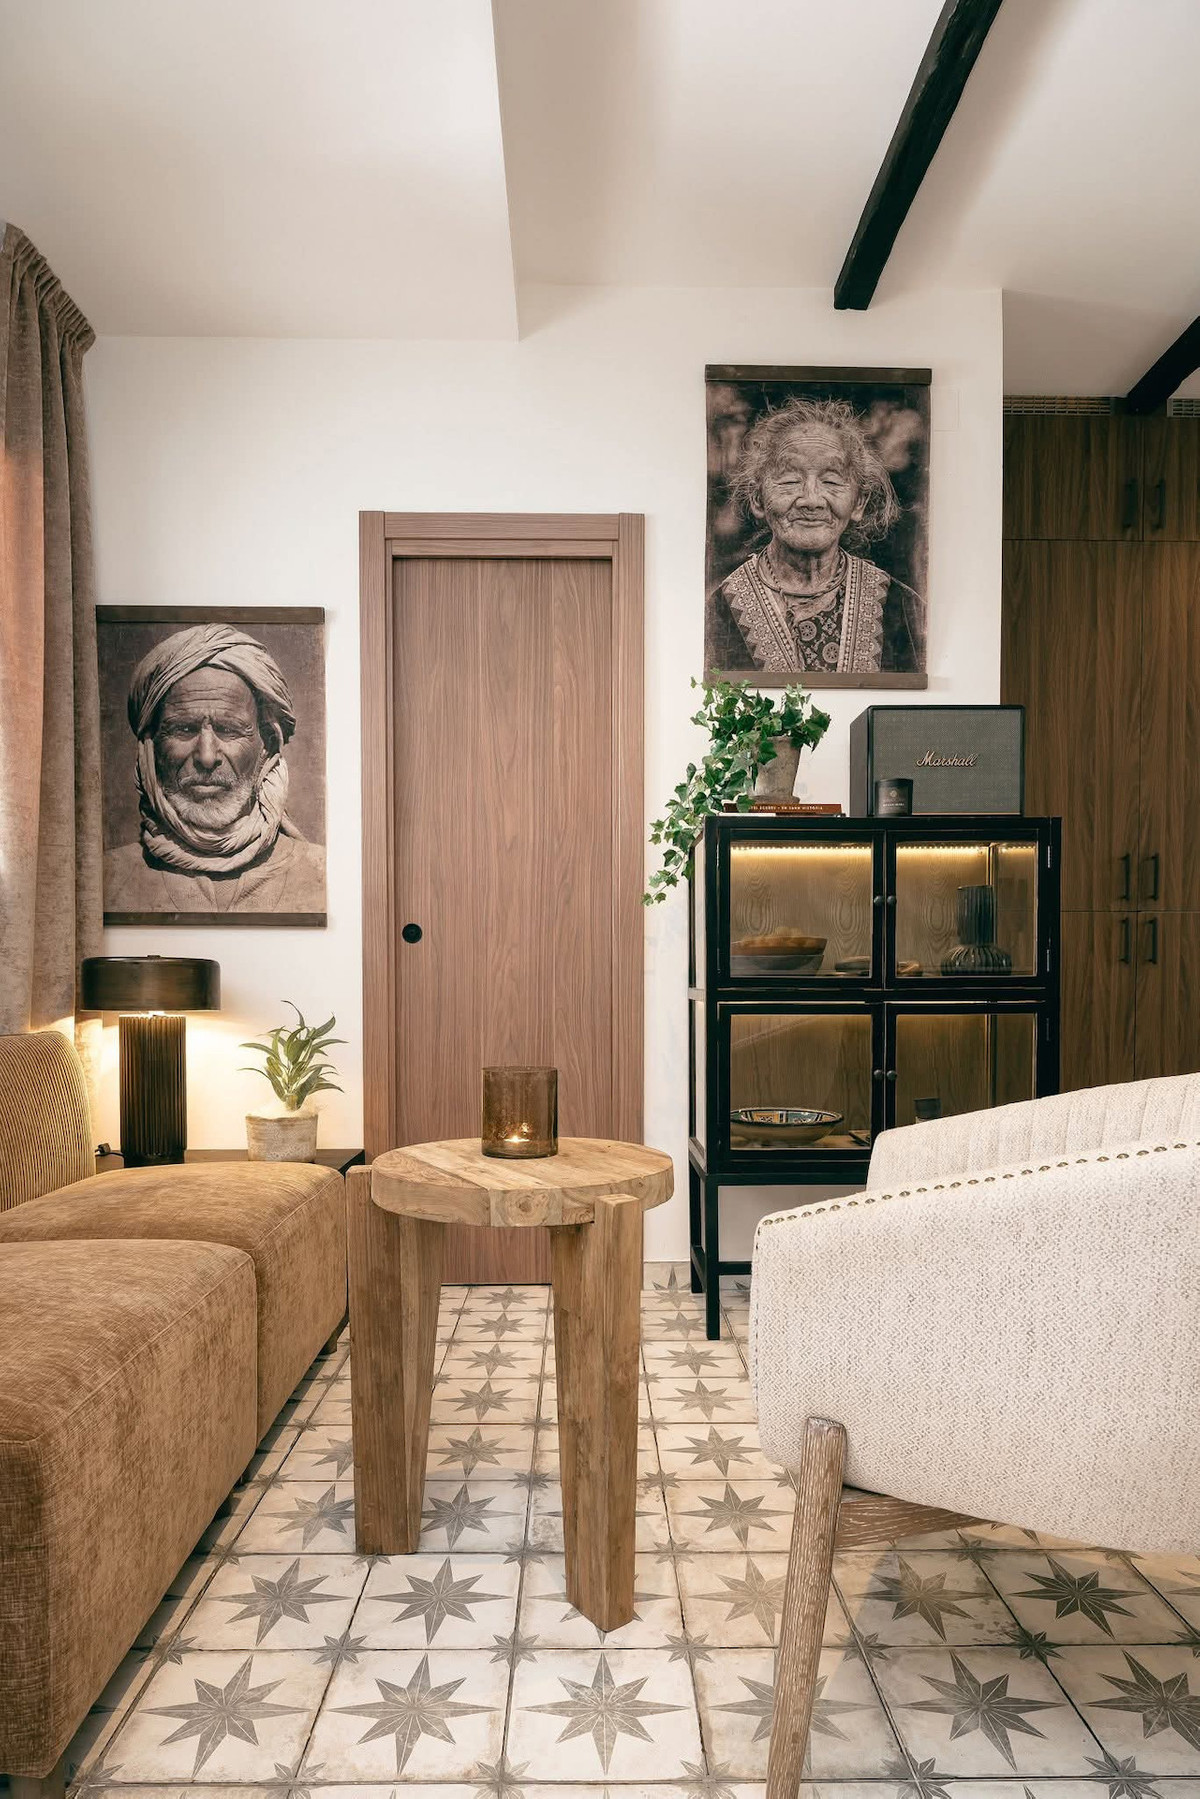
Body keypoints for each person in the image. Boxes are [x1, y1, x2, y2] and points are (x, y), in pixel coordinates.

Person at [103, 623, 325, 914]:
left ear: (268, 743)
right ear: (151, 744)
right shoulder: (107, 880)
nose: (206, 757)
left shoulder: (323, 875)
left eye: (229, 730)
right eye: (184, 729)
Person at [707, 395, 924, 676]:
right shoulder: (719, 610)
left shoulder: (903, 606)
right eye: (790, 480)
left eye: (831, 481)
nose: (811, 500)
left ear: (859, 503)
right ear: (757, 499)